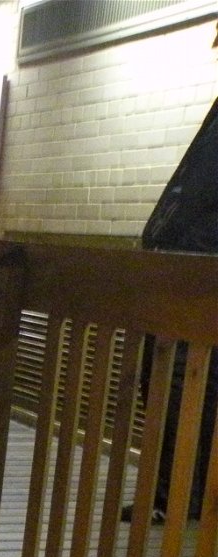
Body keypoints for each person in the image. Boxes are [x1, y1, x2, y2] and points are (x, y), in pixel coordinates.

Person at [129, 30, 218, 524]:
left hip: (199, 274)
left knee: (188, 392)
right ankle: (172, 492)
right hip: (183, 269)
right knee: (167, 387)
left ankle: (182, 494)